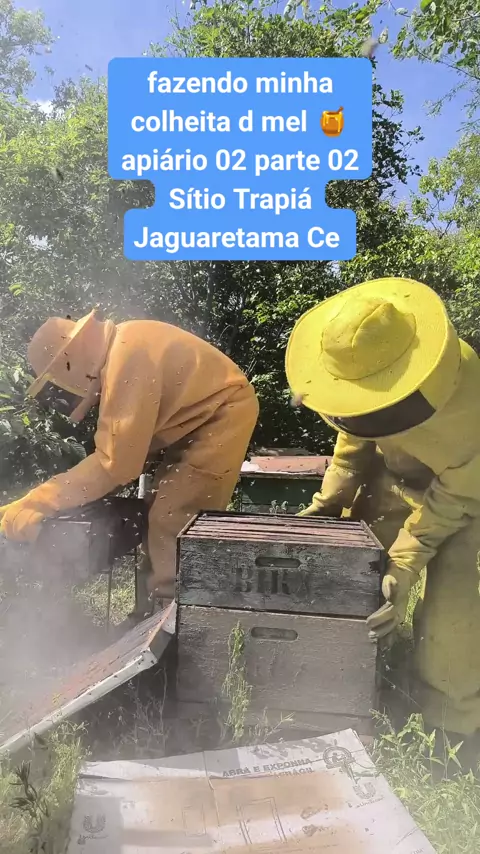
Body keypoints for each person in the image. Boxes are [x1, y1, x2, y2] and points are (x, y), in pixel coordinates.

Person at [285, 276, 480, 743]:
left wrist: (405, 565)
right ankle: (355, 689)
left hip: (463, 498)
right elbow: (352, 441)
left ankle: (451, 729)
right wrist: (327, 506)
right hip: (391, 482)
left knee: (451, 614)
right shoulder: (365, 367)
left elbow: (454, 498)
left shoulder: (470, 403)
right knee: (357, 579)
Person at [0, 308, 259, 612]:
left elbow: (114, 464)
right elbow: (123, 454)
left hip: (221, 413)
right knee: (157, 513)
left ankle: (178, 620)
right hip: (194, 419)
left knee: (172, 518)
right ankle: (149, 614)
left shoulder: (126, 357)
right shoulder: (123, 347)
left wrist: (37, 502)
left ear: (67, 363)